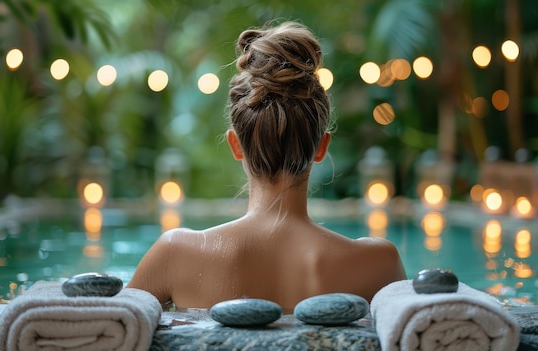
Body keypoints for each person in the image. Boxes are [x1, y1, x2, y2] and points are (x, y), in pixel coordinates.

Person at [127, 21, 406, 312]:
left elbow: (120, 327)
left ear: (235, 144)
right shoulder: (378, 263)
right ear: (321, 147)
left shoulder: (174, 254)